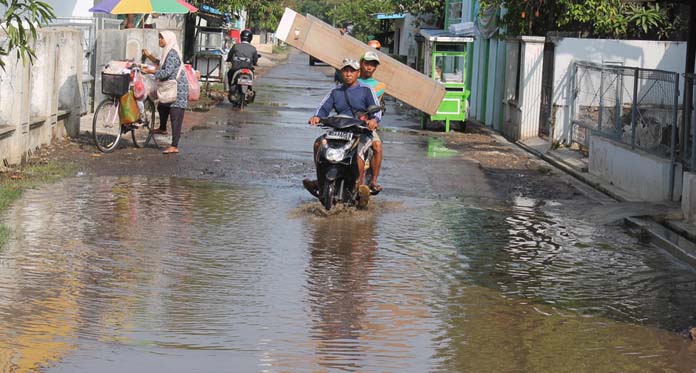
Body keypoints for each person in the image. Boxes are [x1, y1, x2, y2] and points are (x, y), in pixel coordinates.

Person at [304, 58, 382, 198]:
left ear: (358, 73)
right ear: (341, 73)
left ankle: (368, 183)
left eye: (351, 71)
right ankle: (320, 180)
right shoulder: (335, 91)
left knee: (374, 147)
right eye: (345, 71)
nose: (348, 74)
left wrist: (374, 120)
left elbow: (376, 110)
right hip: (339, 129)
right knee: (318, 144)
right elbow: (323, 108)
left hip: (361, 130)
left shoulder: (366, 90)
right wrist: (316, 117)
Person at [142, 31, 189, 154]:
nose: (160, 41)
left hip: (178, 89)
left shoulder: (172, 53)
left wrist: (150, 72)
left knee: (175, 115)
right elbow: (162, 64)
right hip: (171, 87)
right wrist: (150, 57)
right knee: (162, 106)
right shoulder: (168, 52)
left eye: (161, 38)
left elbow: (167, 72)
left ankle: (174, 145)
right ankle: (163, 128)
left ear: (168, 39)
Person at [357, 50, 385, 194]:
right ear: (361, 64)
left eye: (372, 65)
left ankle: (373, 180)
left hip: (367, 124)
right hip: (348, 122)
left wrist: (374, 120)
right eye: (367, 64)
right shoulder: (351, 80)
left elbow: (377, 107)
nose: (369, 67)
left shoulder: (379, 86)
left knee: (377, 146)